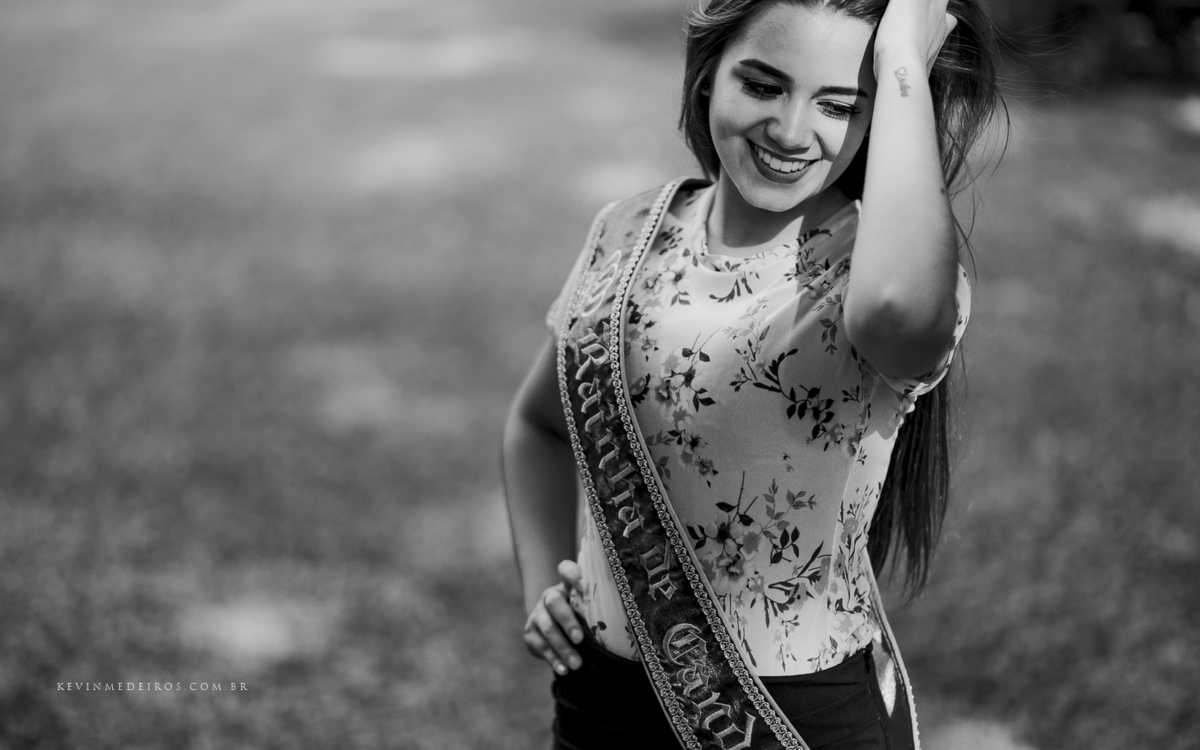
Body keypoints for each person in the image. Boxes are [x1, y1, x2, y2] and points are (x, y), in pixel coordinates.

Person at [502, 0, 1004, 748]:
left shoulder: (876, 273)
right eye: (763, 85)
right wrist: (547, 581)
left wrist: (904, 57)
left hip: (790, 719)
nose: (792, 131)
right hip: (598, 707)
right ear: (708, 76)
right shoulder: (627, 230)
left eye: (839, 105)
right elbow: (539, 425)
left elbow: (900, 307)